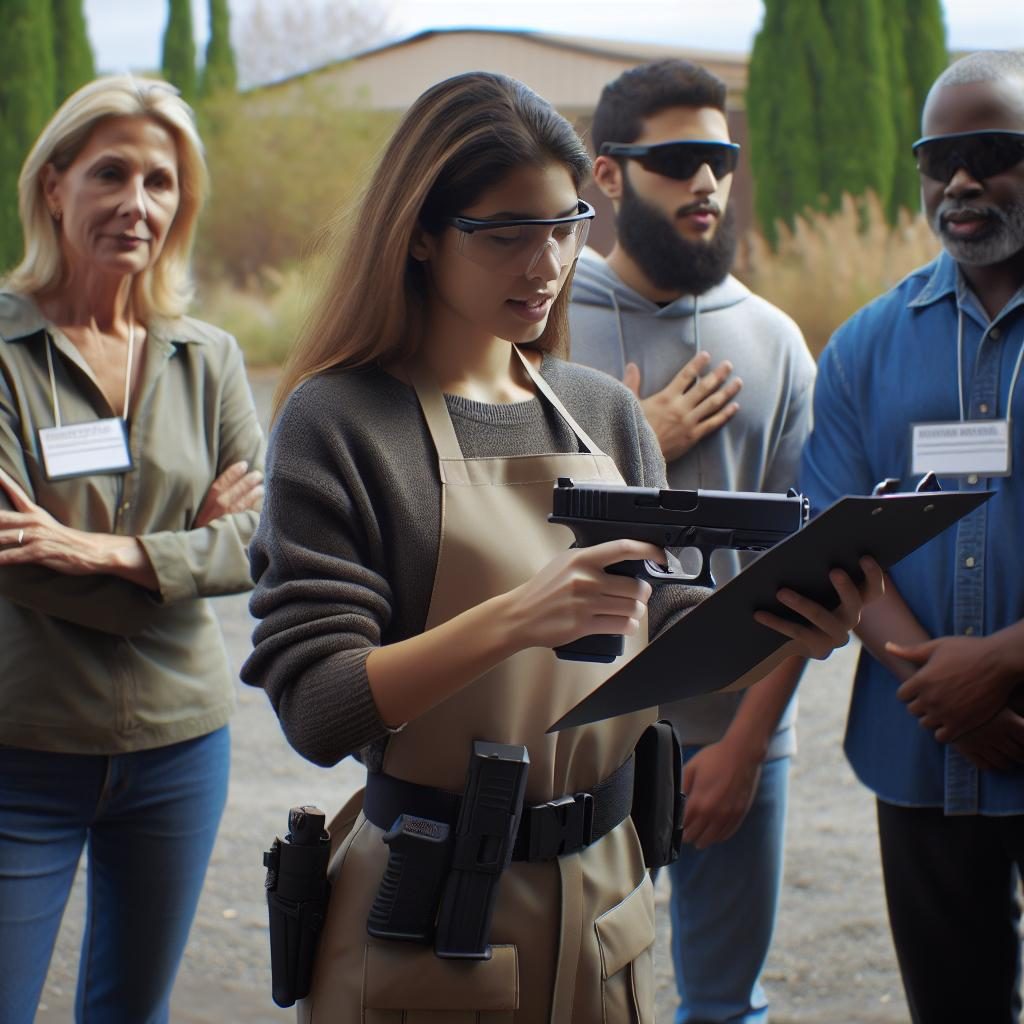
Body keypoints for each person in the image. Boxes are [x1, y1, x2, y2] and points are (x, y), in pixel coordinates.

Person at [241, 70, 880, 1023]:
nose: (546, 264)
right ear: (419, 233)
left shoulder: (601, 411)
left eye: (565, 226)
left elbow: (666, 628)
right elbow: (319, 708)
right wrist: (518, 618)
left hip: (606, 904)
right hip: (432, 919)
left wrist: (786, 626)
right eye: (506, 233)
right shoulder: (338, 421)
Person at [0, 76, 265, 1023]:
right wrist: (187, 548)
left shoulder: (209, 356)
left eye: (160, 182)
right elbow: (15, 554)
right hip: (23, 745)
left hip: (181, 749)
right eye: (110, 173)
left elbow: (259, 542)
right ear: (53, 185)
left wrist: (96, 551)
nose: (136, 203)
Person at [569, 59, 815, 1024]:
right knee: (573, 995)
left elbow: (809, 562)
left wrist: (748, 744)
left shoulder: (777, 341)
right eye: (676, 161)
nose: (706, 181)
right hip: (575, 736)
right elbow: (490, 528)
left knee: (725, 1006)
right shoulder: (540, 325)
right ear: (608, 175)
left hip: (737, 737)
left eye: (719, 158)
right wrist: (641, 442)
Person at [800, 51, 1024, 1024]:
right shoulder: (863, 345)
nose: (961, 181)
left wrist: (1001, 664)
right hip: (920, 749)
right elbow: (836, 535)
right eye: (940, 160)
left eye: (992, 153)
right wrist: (944, 693)